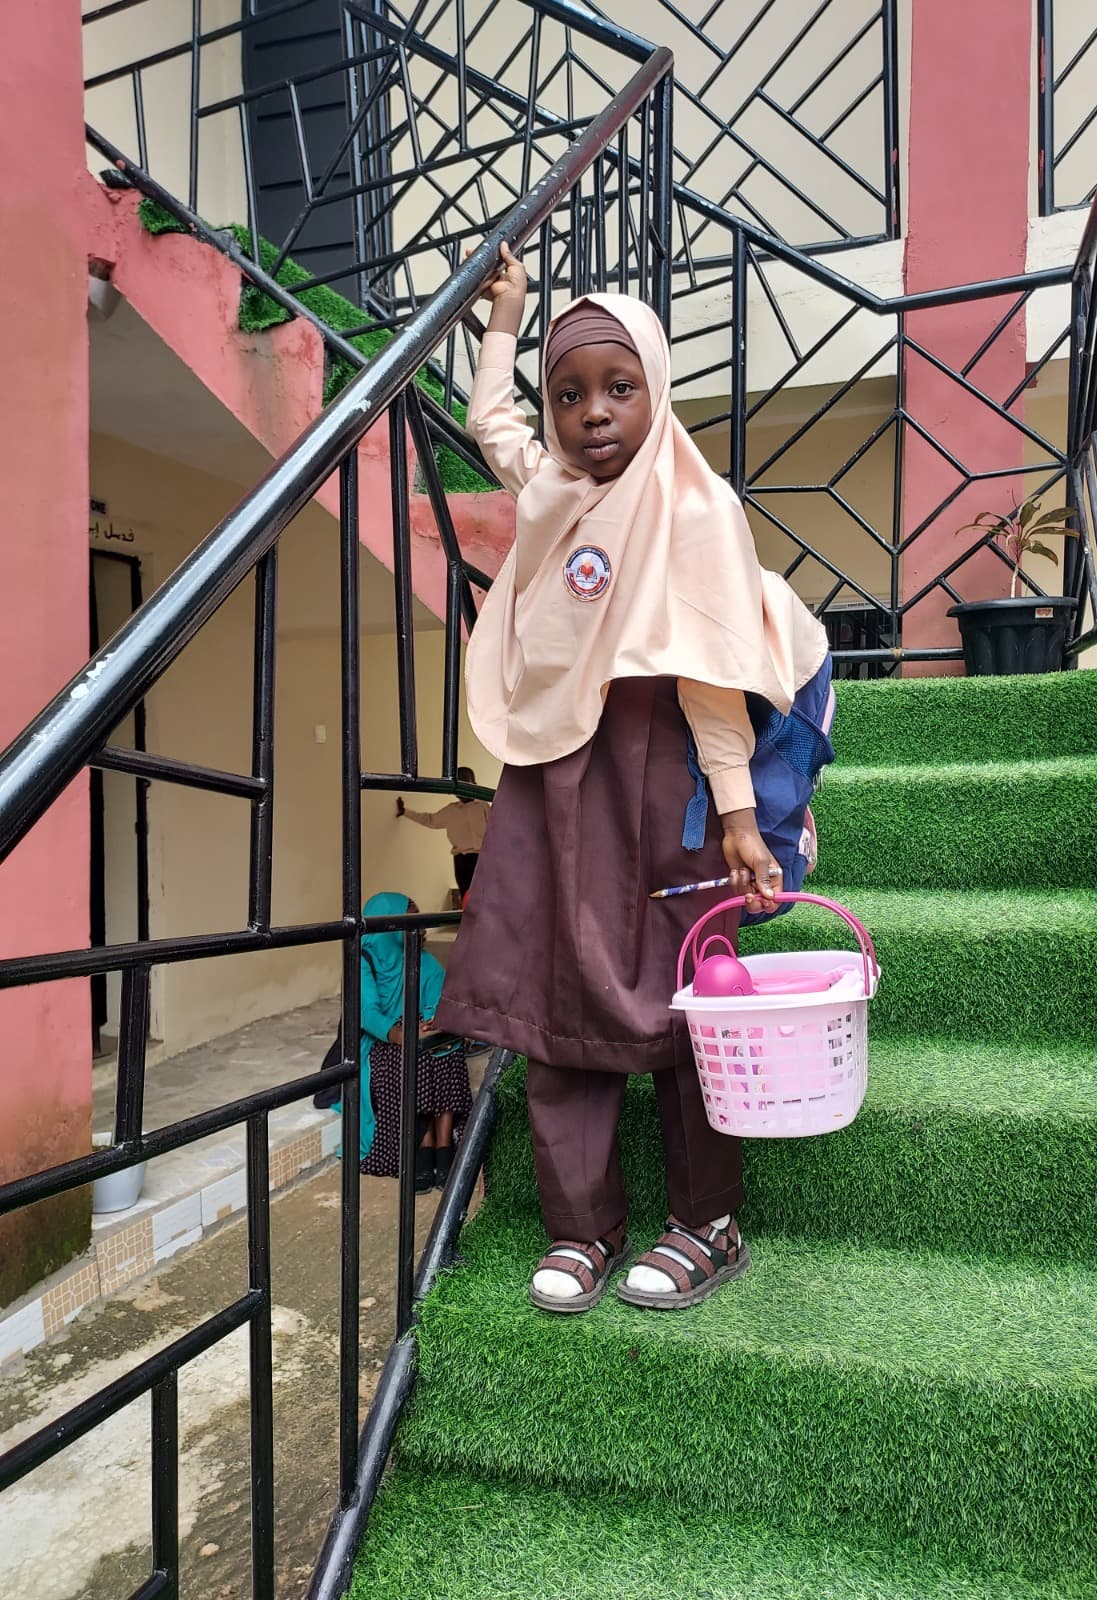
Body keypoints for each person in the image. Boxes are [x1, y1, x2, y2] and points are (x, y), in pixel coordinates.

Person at [434, 246, 828, 1314]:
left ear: (656, 388)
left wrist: (741, 819)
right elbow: (493, 431)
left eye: (618, 387)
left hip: (661, 776)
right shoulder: (556, 491)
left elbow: (711, 679)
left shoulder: (693, 511)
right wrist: (502, 325)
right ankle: (581, 1228)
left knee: (687, 1001)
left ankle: (707, 1221)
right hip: (556, 772)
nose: (592, 413)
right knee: (554, 998)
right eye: (570, 395)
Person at [340, 891, 472, 1189]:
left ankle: (443, 1142)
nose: (422, 929)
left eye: (420, 922)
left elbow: (440, 1001)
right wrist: (406, 1034)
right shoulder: (363, 959)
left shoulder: (424, 961)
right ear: (387, 925)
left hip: (419, 1033)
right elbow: (367, 1013)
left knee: (445, 1047)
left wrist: (436, 1022)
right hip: (380, 1040)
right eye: (411, 923)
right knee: (411, 1055)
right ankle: (423, 1141)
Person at [396, 768, 490, 898]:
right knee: (468, 899)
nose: (462, 789)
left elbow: (496, 831)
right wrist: (405, 812)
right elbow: (430, 820)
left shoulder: (483, 807)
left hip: (483, 858)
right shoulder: (451, 811)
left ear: (474, 783)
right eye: (458, 785)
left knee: (487, 896)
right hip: (462, 861)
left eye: (466, 783)